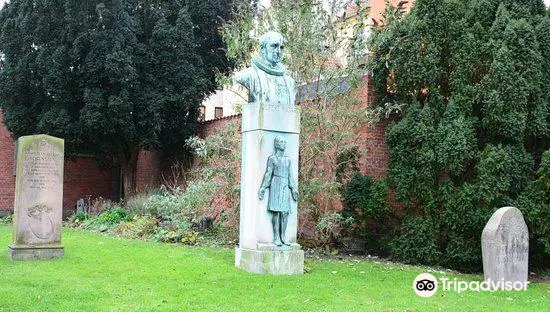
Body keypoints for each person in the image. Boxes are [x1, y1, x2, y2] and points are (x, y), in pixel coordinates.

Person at [235, 31, 296, 107]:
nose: (278, 51)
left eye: (281, 47)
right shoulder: (249, 75)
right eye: (274, 46)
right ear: (262, 48)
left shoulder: (290, 82)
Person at [258, 136, 298, 246]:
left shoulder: (288, 160)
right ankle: (276, 237)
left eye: (285, 141)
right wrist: (263, 187)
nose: (284, 143)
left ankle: (283, 237)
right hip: (275, 184)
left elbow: (291, 176)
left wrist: (293, 189)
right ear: (276, 144)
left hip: (285, 185)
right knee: (276, 212)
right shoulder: (272, 159)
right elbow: (268, 174)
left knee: (285, 212)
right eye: (281, 141)